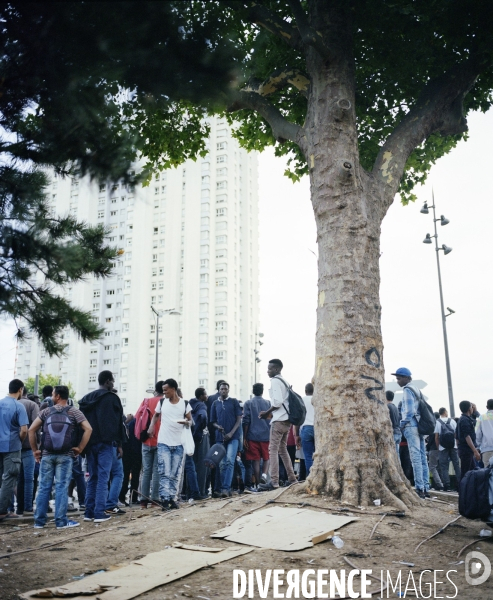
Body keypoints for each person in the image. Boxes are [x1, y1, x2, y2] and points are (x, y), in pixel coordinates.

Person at [28, 385, 92, 529]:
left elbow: (31, 430)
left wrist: (35, 450)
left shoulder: (45, 412)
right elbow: (88, 429)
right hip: (66, 455)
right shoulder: (74, 411)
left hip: (47, 455)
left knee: (44, 487)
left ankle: (39, 522)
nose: (51, 396)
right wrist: (80, 448)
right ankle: (61, 521)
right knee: (62, 486)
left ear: (57, 396)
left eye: (52, 394)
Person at [79, 370, 125, 523]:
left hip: (90, 443)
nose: (113, 384)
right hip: (106, 443)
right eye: (112, 381)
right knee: (103, 478)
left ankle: (89, 512)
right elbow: (118, 423)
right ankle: (99, 513)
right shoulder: (112, 398)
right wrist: (119, 444)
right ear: (107, 381)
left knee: (93, 477)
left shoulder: (86, 399)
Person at [147, 378, 192, 510]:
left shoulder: (185, 404)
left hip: (179, 443)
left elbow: (190, 421)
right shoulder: (162, 402)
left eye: (166, 390)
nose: (164, 392)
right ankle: (165, 499)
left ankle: (172, 498)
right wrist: (151, 426)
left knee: (175, 473)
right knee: (164, 472)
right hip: (164, 442)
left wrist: (186, 423)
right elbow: (156, 415)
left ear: (173, 389)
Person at [258, 359, 297, 492]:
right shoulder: (284, 381)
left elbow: (277, 402)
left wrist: (266, 413)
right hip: (287, 421)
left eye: (269, 369)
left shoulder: (275, 381)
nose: (267, 371)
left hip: (279, 420)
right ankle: (292, 478)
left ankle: (274, 481)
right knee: (283, 450)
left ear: (276, 369)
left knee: (272, 450)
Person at [393, 367, 430, 499]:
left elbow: (408, 412)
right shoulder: (416, 389)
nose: (398, 381)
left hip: (411, 426)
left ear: (407, 378)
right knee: (422, 457)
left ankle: (420, 489)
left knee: (415, 458)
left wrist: (402, 425)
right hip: (420, 426)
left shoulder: (407, 390)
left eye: (399, 378)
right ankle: (426, 487)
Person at [0, 379, 29, 520]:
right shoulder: (18, 406)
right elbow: (24, 430)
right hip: (12, 446)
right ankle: (2, 511)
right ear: (20, 390)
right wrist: (20, 441)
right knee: (9, 478)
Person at [210, 382, 242, 497]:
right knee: (222, 463)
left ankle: (225, 488)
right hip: (220, 438)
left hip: (233, 437)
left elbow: (239, 420)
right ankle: (224, 488)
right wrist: (217, 427)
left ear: (228, 390)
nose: (223, 390)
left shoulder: (234, 402)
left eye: (225, 389)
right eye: (222, 389)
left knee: (229, 461)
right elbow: (212, 421)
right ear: (219, 390)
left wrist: (231, 433)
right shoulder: (215, 403)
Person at [11, 388, 39, 515]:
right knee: (29, 479)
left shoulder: (11, 404)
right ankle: (28, 507)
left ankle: (13, 508)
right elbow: (36, 427)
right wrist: (37, 446)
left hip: (12, 447)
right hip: (28, 447)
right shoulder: (32, 405)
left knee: (12, 479)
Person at [137, 381, 164, 508]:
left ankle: (143, 501)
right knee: (157, 471)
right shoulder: (165, 402)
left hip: (146, 440)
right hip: (160, 440)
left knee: (146, 471)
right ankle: (155, 500)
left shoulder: (146, 401)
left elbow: (138, 417)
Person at [243, 383, 271, 491]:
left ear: (253, 391)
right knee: (266, 458)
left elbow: (246, 421)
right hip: (266, 434)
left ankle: (259, 484)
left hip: (252, 435)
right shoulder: (268, 403)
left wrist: (244, 437)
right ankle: (264, 475)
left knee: (255, 460)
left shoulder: (248, 403)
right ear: (262, 391)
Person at [188, 387, 209, 499]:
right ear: (201, 396)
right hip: (200, 437)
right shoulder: (201, 405)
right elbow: (204, 416)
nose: (207, 396)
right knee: (201, 465)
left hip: (190, 437)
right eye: (205, 394)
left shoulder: (190, 403)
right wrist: (202, 427)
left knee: (191, 465)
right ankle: (200, 491)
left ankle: (189, 492)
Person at [434, 407, 460, 492]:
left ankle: (447, 486)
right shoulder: (452, 421)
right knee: (456, 465)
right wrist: (456, 444)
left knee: (444, 467)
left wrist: (438, 448)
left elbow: (437, 437)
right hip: (453, 446)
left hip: (443, 447)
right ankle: (459, 485)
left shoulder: (437, 422)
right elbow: (456, 434)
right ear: (445, 412)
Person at [119, 413, 142, 505]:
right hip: (136, 451)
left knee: (125, 475)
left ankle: (121, 496)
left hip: (125, 451)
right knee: (135, 476)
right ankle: (134, 498)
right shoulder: (139, 421)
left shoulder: (126, 423)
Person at [457, 400, 481, 481]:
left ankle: (467, 490)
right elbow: (467, 436)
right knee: (466, 473)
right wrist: (475, 451)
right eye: (471, 407)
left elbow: (456, 436)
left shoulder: (462, 419)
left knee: (472, 471)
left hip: (465, 450)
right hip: (466, 450)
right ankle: (463, 491)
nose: (472, 409)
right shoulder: (465, 420)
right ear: (468, 409)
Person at [295, 383, 315, 476]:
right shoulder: (317, 400)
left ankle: (310, 477)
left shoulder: (301, 400)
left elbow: (298, 419)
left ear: (305, 391)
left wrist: (297, 435)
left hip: (306, 429)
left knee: (308, 456)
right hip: (317, 429)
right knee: (317, 456)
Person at [427, 411, 444, 491]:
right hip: (442, 448)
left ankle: (439, 484)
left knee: (432, 467)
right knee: (439, 467)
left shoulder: (433, 425)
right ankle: (442, 483)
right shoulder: (442, 424)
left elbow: (431, 439)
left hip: (434, 448)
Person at [476, 400, 493, 468]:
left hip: (486, 449)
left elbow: (477, 433)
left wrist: (477, 447)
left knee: (488, 471)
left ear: (487, 407)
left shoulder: (481, 417)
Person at [386, 391, 401, 455]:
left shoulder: (387, 407)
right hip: (398, 432)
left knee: (392, 455)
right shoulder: (395, 407)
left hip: (392, 433)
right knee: (397, 455)